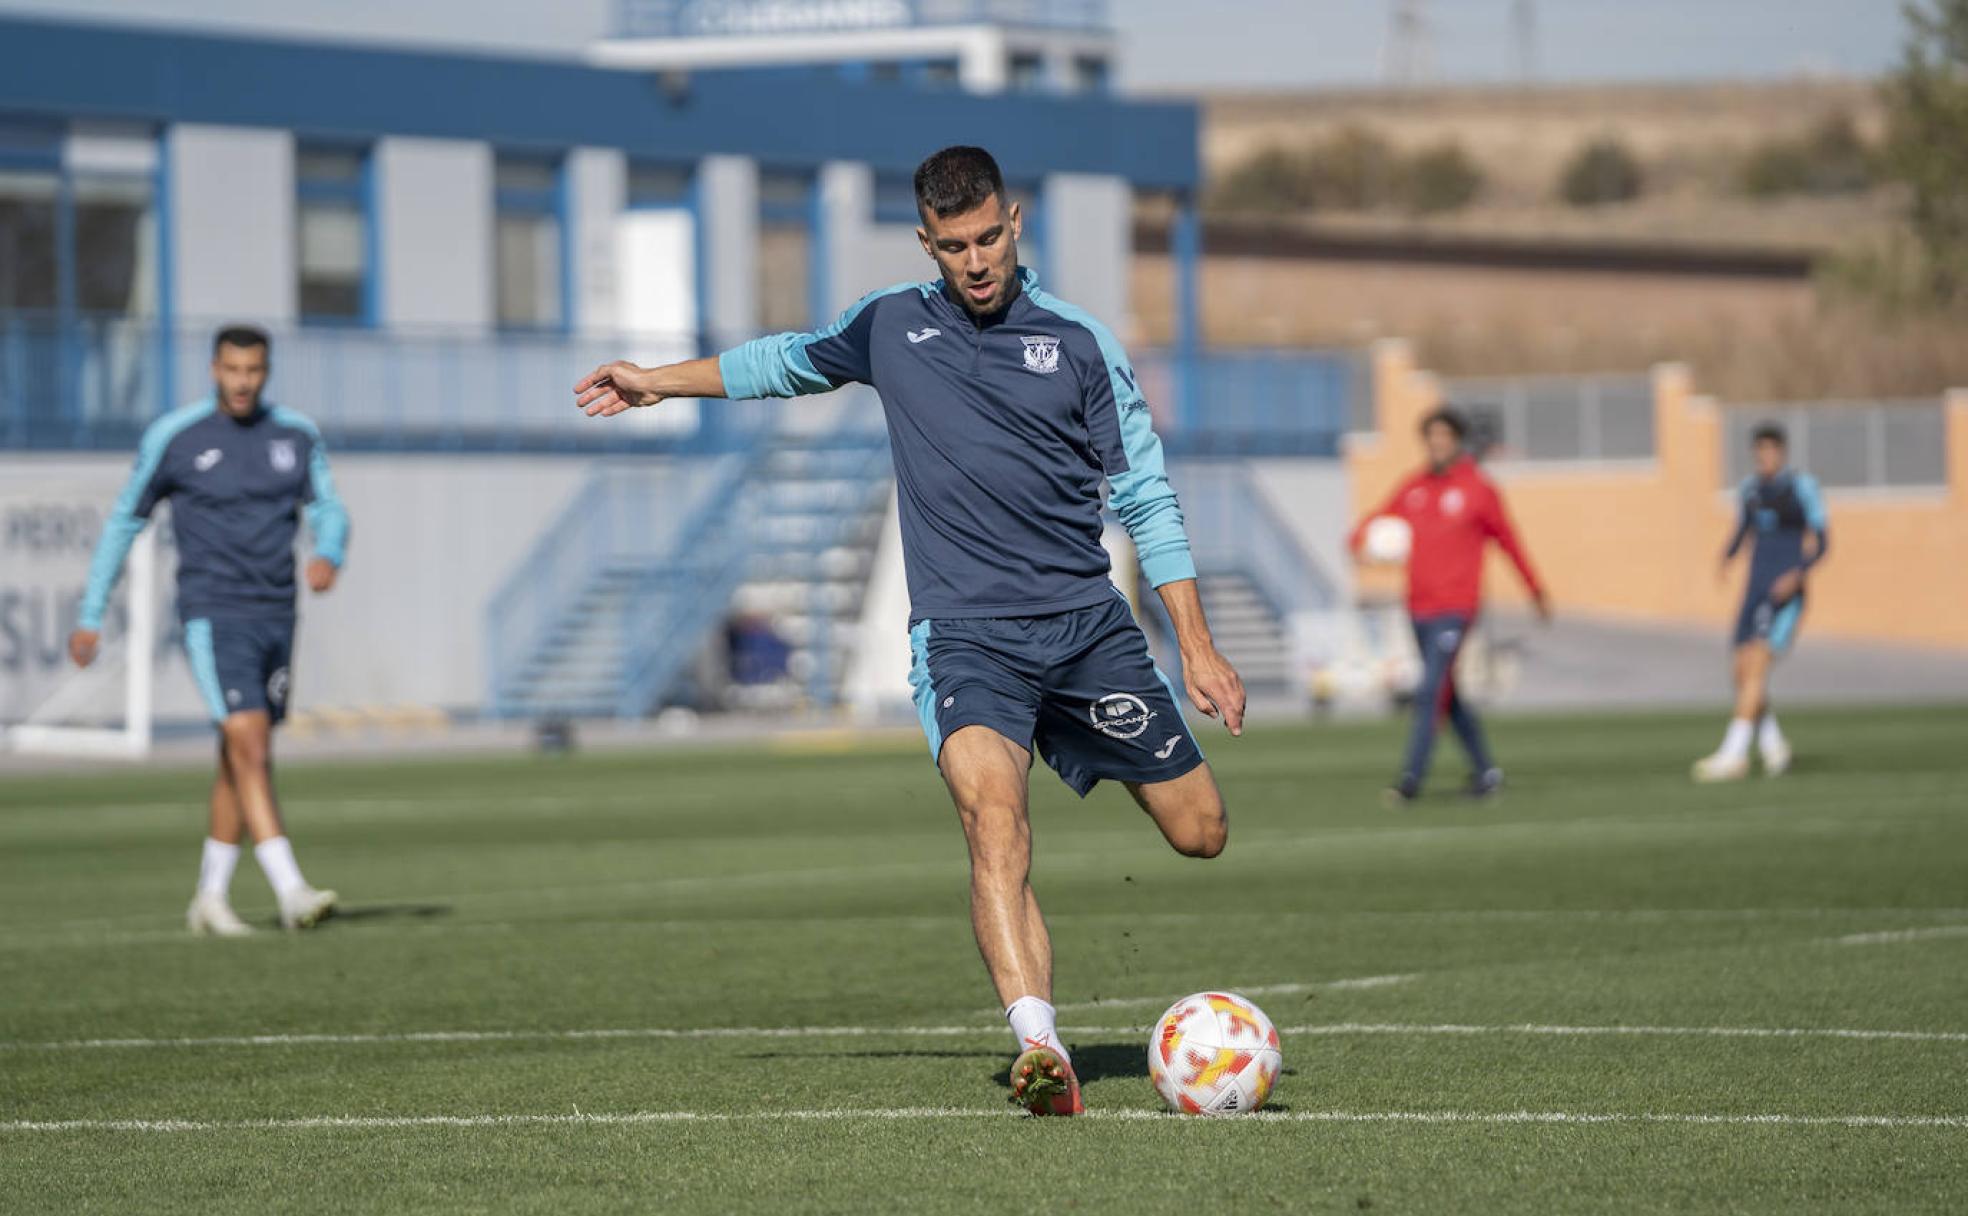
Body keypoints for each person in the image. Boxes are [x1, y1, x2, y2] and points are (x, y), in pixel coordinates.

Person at [573, 146, 1245, 1115]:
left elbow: (1145, 492)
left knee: (1202, 831)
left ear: (1014, 223)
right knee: (993, 822)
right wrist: (658, 382)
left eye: (987, 240)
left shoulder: (1082, 342)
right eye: (952, 247)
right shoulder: (891, 323)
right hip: (967, 638)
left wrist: (1197, 641)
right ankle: (1039, 1045)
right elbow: (783, 362)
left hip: (1087, 631)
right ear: (924, 242)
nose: (974, 262)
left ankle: (1092, 765)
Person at [70, 326, 346, 935]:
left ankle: (210, 899)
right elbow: (123, 523)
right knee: (250, 744)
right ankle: (291, 888)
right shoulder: (176, 437)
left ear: (266, 371)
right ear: (214, 369)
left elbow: (328, 506)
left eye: (253, 370)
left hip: (278, 612)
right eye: (232, 369)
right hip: (212, 612)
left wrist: (329, 550)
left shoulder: (296, 434)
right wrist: (91, 614)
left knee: (237, 754)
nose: (243, 381)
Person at [1350, 407, 1549, 805]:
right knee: (1447, 694)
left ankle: (1410, 778)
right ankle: (1487, 772)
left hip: (1457, 607)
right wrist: (1358, 541)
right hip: (1418, 608)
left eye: (1444, 436)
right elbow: (1379, 521)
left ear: (1457, 440)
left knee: (1429, 691)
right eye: (1431, 437)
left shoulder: (1478, 488)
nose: (1437, 444)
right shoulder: (1415, 487)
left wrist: (1534, 589)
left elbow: (1509, 541)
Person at [1693, 423, 1827, 781]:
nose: (1764, 458)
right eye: (1759, 451)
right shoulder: (1751, 490)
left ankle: (1734, 754)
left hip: (1783, 595)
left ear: (1781, 452)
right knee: (1740, 671)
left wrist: (1797, 574)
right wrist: (1727, 557)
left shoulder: (1801, 488)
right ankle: (1774, 746)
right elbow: (1743, 530)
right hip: (1753, 591)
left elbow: (1823, 542)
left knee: (1757, 667)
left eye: (1770, 451)